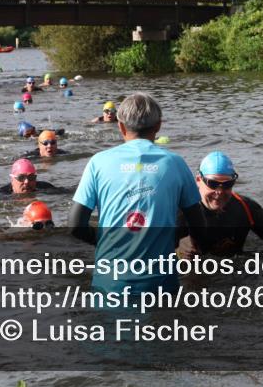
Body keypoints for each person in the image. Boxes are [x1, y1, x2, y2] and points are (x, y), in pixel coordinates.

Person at [70, 92, 207, 294]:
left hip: (110, 284)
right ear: (158, 126)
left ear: (121, 126)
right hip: (160, 284)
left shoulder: (98, 162)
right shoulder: (175, 163)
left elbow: (75, 226)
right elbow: (199, 225)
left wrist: (106, 238)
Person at [177, 152, 263, 258]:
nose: (219, 191)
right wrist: (177, 247)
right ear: (198, 180)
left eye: (227, 184)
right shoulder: (180, 210)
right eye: (213, 183)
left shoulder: (247, 208)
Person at [0, 158, 69, 196]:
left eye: (31, 177)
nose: (27, 182)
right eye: (21, 178)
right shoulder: (1, 196)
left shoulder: (45, 187)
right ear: (12, 180)